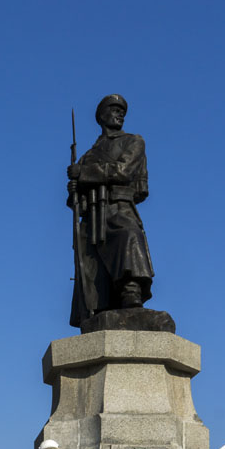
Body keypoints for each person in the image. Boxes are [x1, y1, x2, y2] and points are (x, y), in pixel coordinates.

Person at [67, 93, 154, 326]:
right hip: (94, 212)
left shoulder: (133, 141)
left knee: (128, 235)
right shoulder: (88, 155)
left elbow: (124, 171)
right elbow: (73, 197)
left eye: (122, 111)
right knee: (88, 257)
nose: (120, 115)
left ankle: (131, 292)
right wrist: (74, 186)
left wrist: (84, 174)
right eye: (114, 110)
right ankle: (97, 307)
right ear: (101, 116)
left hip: (119, 208)